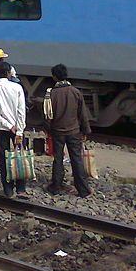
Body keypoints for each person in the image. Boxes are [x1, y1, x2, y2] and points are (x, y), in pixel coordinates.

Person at [44, 64, 92, 197]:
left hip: (57, 132)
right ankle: (83, 189)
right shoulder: (76, 92)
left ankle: (56, 186)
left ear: (54, 77)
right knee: (76, 159)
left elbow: (48, 116)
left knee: (58, 159)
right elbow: (82, 114)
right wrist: (85, 131)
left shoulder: (51, 94)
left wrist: (48, 131)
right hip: (74, 131)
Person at [0, 61, 28, 198]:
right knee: (20, 156)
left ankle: (8, 189)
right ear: (9, 73)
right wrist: (19, 130)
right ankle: (21, 189)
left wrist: (9, 126)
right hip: (18, 128)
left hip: (3, 129)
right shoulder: (17, 88)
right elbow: (21, 111)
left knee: (4, 158)